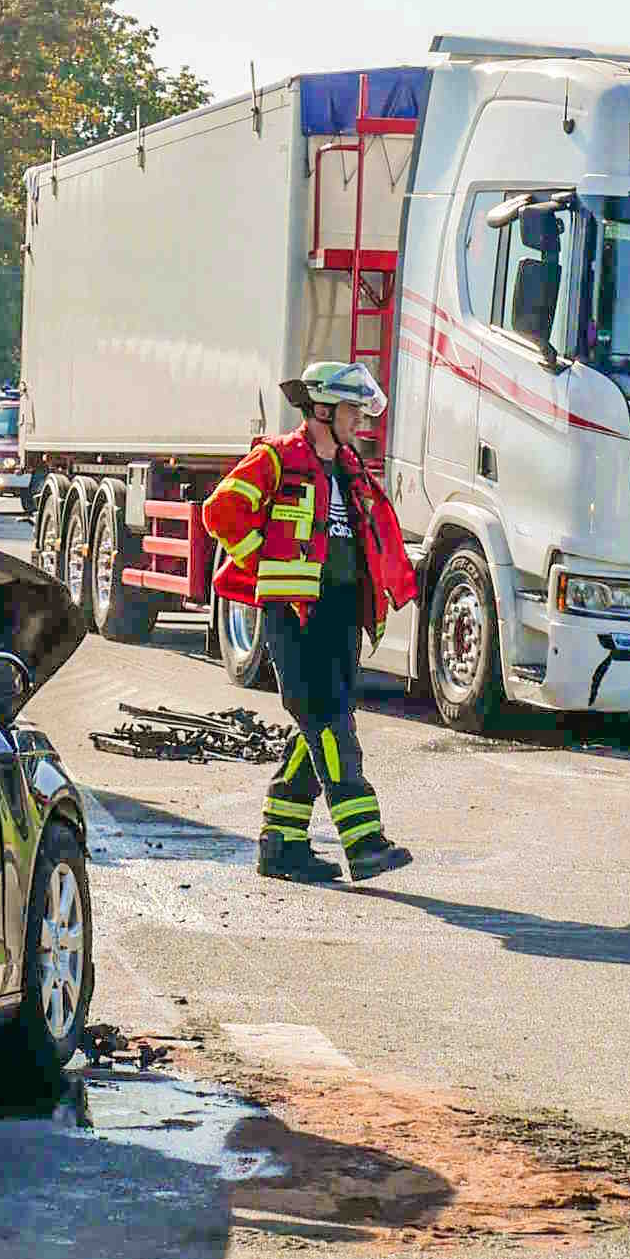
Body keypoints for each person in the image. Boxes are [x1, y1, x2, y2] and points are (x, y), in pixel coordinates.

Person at [195, 361, 418, 886]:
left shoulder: (348, 467)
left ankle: (281, 843)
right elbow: (220, 510)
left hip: (340, 613)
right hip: (294, 613)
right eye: (350, 410)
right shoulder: (277, 458)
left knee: (321, 722)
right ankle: (364, 841)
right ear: (322, 409)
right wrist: (260, 567)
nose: (358, 421)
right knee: (329, 723)